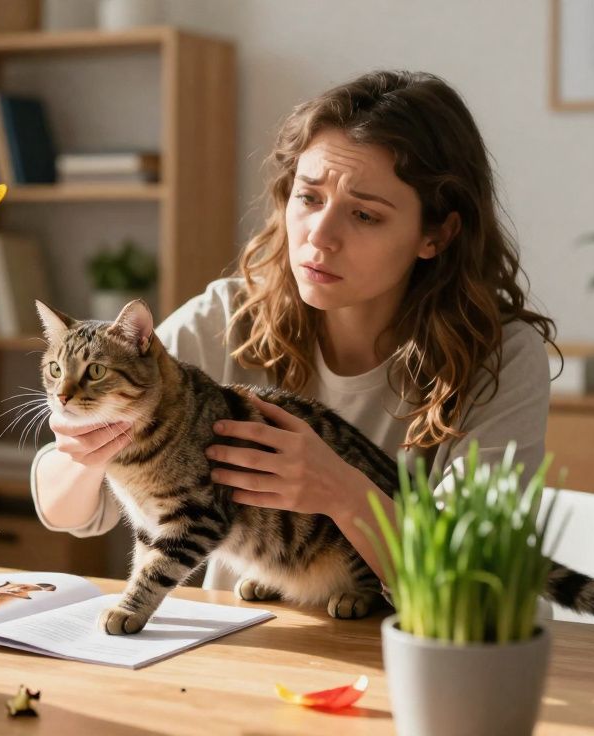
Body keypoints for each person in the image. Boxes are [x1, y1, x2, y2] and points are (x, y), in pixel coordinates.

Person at [30, 70, 557, 592]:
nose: (320, 237)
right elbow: (71, 512)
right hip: (252, 646)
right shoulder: (228, 314)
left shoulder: (501, 356)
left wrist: (344, 494)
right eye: (308, 198)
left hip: (425, 654)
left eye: (365, 215)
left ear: (436, 234)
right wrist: (79, 452)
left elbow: (469, 582)